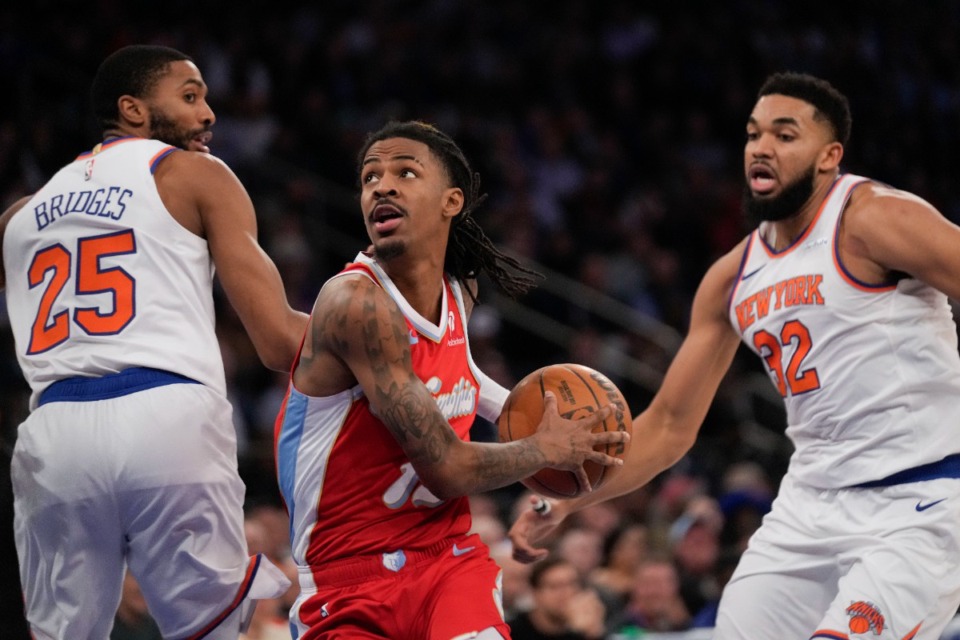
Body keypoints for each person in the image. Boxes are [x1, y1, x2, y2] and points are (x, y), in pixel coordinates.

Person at [509, 71, 960, 639]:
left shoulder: (873, 218)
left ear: (830, 156)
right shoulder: (731, 277)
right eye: (753, 134)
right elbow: (670, 424)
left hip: (917, 498)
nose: (761, 147)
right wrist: (574, 500)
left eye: (785, 134)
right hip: (809, 506)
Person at [273, 120, 629, 639]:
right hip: (347, 576)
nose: (382, 186)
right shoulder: (356, 303)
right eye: (370, 177)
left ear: (451, 201)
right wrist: (544, 447)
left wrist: (535, 415)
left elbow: (464, 377)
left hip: (446, 557)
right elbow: (447, 468)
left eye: (405, 172)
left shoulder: (459, 290)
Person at [1, 44, 308, 638]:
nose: (210, 113)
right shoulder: (194, 174)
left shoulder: (19, 214)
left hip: (55, 435)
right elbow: (277, 341)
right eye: (190, 96)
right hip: (166, 418)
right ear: (133, 110)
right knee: (209, 631)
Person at [507, 558, 607, 640]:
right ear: (535, 593)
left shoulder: (583, 630)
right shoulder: (510, 632)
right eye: (555, 586)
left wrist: (593, 634)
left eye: (572, 584)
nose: (567, 593)